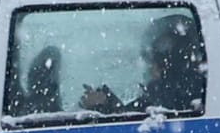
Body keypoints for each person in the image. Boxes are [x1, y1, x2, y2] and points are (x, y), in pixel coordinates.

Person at [79, 13, 207, 117]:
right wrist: (107, 102)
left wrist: (103, 106)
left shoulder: (169, 91)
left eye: (152, 59)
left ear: (168, 62)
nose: (147, 65)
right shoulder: (195, 87)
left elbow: (131, 125)